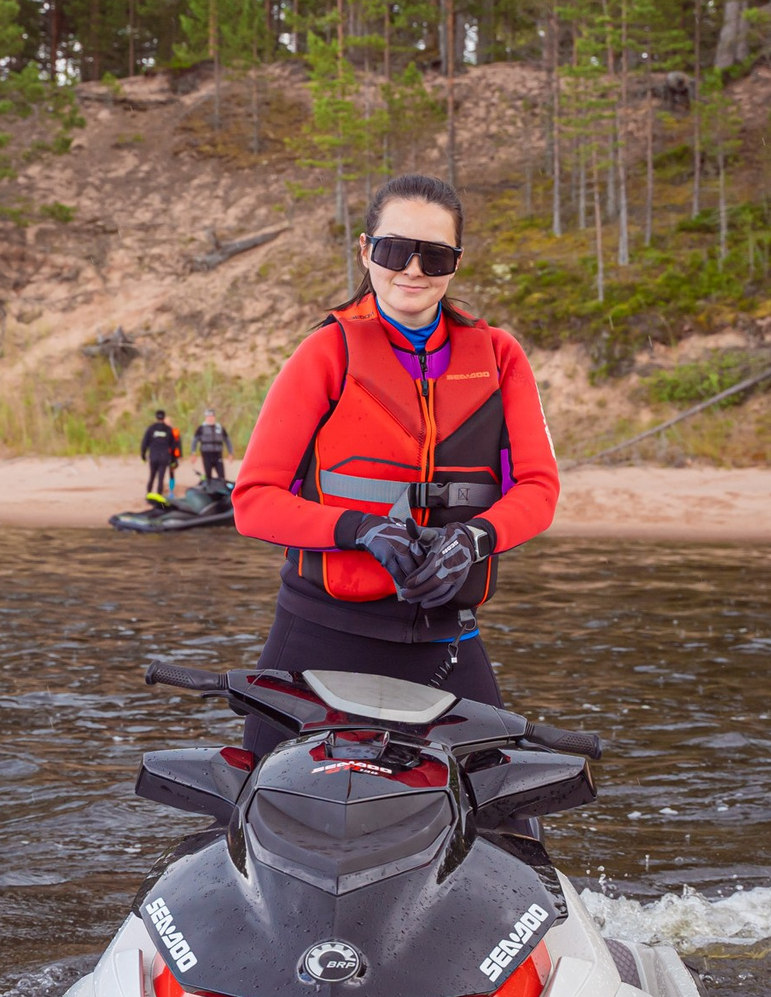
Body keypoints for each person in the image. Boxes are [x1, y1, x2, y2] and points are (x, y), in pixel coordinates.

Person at [232, 174, 561, 757]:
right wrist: (361, 529)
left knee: (499, 793)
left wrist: (474, 538)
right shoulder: (325, 353)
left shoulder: (500, 356)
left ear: (455, 264)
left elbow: (538, 489)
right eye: (393, 250)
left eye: (434, 255)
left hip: (445, 641)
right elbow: (253, 500)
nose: (412, 269)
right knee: (265, 796)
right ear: (365, 250)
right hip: (319, 634)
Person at [138, 409, 181, 503]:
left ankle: (148, 496)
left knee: (152, 476)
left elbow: (144, 443)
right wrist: (173, 459)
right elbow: (174, 445)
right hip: (164, 457)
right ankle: (158, 497)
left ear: (156, 417)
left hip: (153, 456)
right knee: (161, 478)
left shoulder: (151, 428)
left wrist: (143, 455)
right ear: (164, 417)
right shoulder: (168, 429)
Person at [194, 410, 231, 484]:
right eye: (208, 417)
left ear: (214, 417)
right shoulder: (201, 428)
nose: (210, 418)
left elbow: (227, 440)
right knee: (208, 474)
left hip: (217, 454)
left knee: (221, 475)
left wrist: (230, 452)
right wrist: (193, 452)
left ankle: (221, 487)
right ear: (206, 418)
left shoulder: (220, 428)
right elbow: (195, 440)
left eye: (212, 416)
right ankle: (209, 487)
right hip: (206, 454)